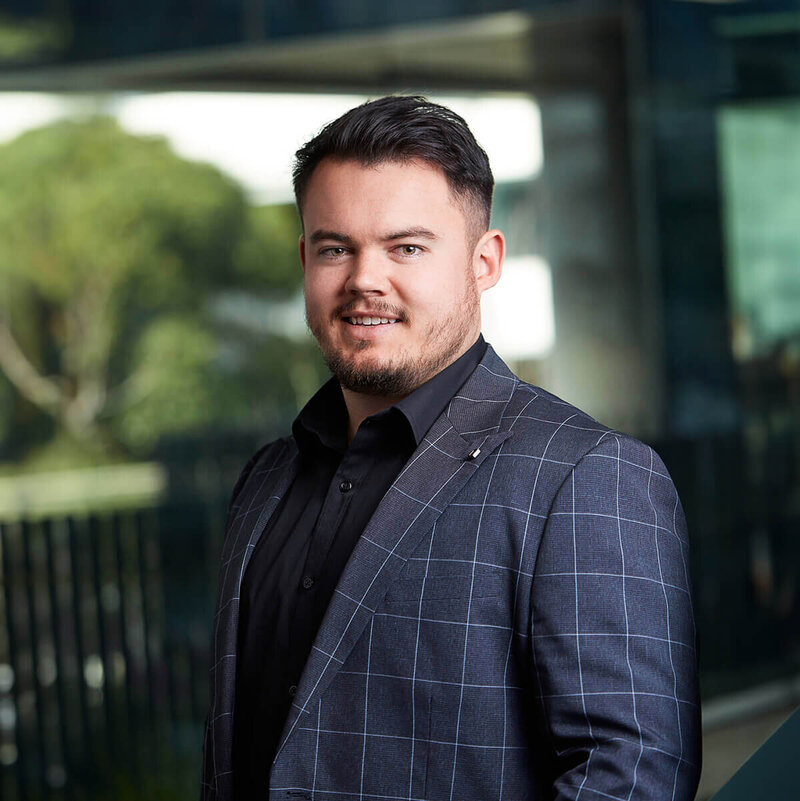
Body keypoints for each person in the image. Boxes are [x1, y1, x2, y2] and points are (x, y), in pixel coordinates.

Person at [201, 95, 701, 801]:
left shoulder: (587, 477)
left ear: (484, 260)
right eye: (335, 247)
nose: (364, 279)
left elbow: (630, 778)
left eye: (406, 246)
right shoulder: (265, 482)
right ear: (306, 259)